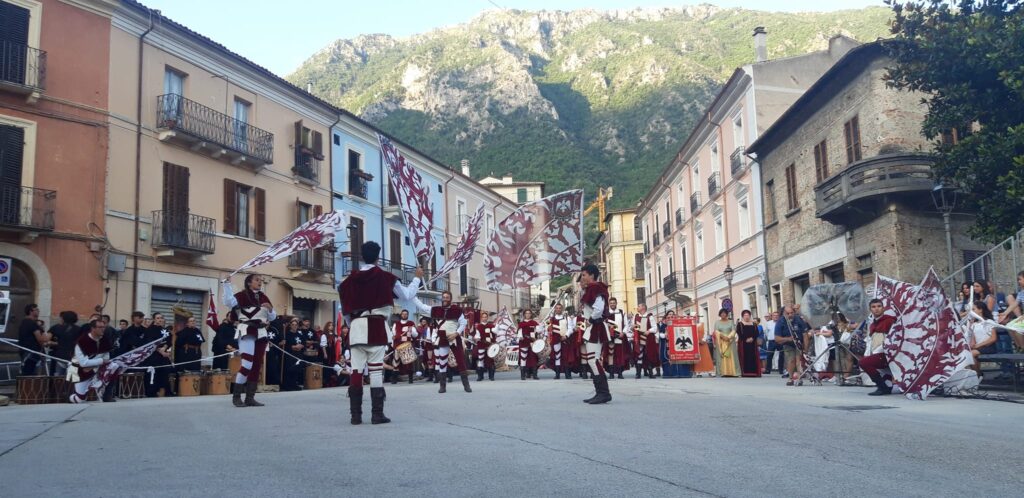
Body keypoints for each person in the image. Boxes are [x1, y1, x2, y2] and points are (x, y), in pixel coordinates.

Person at [339, 241, 428, 425]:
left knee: (356, 370)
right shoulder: (385, 277)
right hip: (377, 326)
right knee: (376, 371)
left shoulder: (348, 281)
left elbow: (345, 310)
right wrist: (417, 277)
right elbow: (407, 295)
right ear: (378, 257)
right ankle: (376, 414)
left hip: (356, 327)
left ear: (362, 256)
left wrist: (353, 324)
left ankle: (355, 415)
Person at [223, 273, 276, 407]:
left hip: (261, 332)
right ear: (249, 282)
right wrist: (227, 284)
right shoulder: (241, 296)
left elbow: (272, 317)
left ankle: (250, 397)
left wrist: (270, 309)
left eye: (261, 280)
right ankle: (236, 397)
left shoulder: (264, 297)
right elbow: (228, 302)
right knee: (247, 364)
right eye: (257, 280)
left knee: (257, 365)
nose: (260, 282)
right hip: (246, 331)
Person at [579, 263, 612, 404]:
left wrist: (590, 321)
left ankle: (603, 393)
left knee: (593, 360)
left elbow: (598, 309)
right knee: (592, 359)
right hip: (593, 327)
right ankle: (601, 392)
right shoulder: (591, 289)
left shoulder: (596, 288)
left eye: (584, 275)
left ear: (591, 275)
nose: (582, 277)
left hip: (596, 328)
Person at [428, 291, 471, 393]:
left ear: (450, 299)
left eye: (447, 297)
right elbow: (424, 307)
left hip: (455, 338)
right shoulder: (437, 310)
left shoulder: (456, 310)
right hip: (442, 338)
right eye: (444, 297)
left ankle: (466, 385)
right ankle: (442, 386)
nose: (445, 299)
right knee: (442, 362)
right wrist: (412, 297)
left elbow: (463, 323)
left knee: (461, 361)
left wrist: (456, 334)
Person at [858, 299, 898, 396]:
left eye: (879, 306)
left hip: (887, 353)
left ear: (883, 308)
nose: (876, 309)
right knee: (866, 361)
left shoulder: (889, 321)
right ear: (870, 309)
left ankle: (882, 387)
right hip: (876, 351)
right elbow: (871, 340)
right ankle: (885, 386)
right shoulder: (872, 324)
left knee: (863, 362)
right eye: (874, 307)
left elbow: (894, 338)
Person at [68, 321, 113, 403]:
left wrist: (99, 363)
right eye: (100, 327)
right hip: (81, 372)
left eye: (104, 327)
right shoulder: (82, 341)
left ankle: (107, 394)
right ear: (93, 328)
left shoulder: (105, 339)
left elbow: (107, 357)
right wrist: (101, 361)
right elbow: (83, 363)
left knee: (114, 366)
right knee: (79, 399)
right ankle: (75, 395)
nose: (103, 329)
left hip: (97, 369)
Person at [774, 305, 808, 386]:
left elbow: (805, 334)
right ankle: (790, 378)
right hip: (788, 344)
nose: (790, 315)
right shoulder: (780, 322)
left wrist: (805, 348)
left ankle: (799, 378)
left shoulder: (799, 319)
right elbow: (777, 338)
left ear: (794, 312)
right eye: (787, 313)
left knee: (799, 360)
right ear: (784, 313)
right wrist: (788, 339)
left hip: (799, 343)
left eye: (791, 313)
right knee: (791, 360)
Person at [141, 313, 172, 398]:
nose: (160, 319)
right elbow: (150, 343)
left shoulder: (165, 330)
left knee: (164, 373)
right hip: (153, 356)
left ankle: (164, 391)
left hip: (163, 356)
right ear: (154, 319)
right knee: (154, 374)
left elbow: (169, 340)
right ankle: (152, 392)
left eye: (161, 318)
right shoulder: (149, 330)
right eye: (158, 318)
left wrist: (165, 348)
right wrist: (161, 351)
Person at [968, 300, 998, 373]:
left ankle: (978, 375)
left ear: (980, 310)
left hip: (988, 347)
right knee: (967, 355)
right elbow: (973, 340)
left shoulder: (989, 322)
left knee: (971, 355)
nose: (972, 311)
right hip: (979, 348)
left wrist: (979, 345)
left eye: (974, 309)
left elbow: (993, 338)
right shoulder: (974, 325)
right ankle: (977, 374)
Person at [604, 297, 629, 379]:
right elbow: (604, 325)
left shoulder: (621, 312)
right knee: (610, 354)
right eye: (611, 303)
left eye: (613, 303)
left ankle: (620, 373)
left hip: (619, 336)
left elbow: (626, 324)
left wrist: (623, 332)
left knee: (619, 354)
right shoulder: (606, 313)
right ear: (609, 304)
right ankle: (611, 373)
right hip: (609, 337)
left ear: (616, 303)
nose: (612, 304)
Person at [49, 311, 80, 377]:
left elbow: (46, 338)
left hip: (60, 356)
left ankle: (57, 387)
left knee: (59, 378)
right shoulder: (79, 329)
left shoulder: (57, 327)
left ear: (63, 318)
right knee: (71, 378)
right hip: (73, 356)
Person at [17, 304, 46, 375]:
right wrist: (44, 344)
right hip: (33, 352)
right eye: (36, 310)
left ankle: (25, 385)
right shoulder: (32, 323)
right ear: (31, 311)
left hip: (26, 351)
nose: (38, 311)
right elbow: (40, 339)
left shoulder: (24, 322)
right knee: (32, 373)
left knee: (27, 372)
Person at [632, 303, 659, 379]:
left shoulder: (650, 317)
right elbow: (634, 327)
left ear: (643, 307)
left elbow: (655, 327)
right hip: (639, 338)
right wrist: (633, 327)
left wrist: (649, 331)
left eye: (639, 306)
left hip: (648, 339)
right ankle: (638, 373)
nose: (637, 307)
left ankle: (650, 373)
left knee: (649, 354)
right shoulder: (636, 316)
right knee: (639, 355)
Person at [392, 310, 418, 384]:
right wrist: (393, 338)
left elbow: (415, 335)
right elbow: (393, 334)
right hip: (398, 345)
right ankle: (394, 379)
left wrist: (411, 330)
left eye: (406, 314)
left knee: (409, 362)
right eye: (403, 314)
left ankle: (410, 379)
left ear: (408, 315)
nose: (404, 315)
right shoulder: (396, 324)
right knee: (396, 362)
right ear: (401, 315)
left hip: (407, 345)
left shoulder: (411, 324)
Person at [547, 304, 571, 379]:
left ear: (562, 309)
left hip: (565, 339)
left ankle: (567, 374)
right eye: (556, 308)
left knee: (565, 356)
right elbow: (547, 329)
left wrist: (566, 336)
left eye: (559, 308)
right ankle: (557, 374)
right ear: (555, 309)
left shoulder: (567, 318)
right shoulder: (551, 319)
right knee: (557, 356)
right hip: (555, 340)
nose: (558, 309)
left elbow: (570, 328)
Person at [281, 317, 305, 391]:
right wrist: (293, 346)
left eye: (296, 325)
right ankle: (288, 386)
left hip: (298, 355)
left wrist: (301, 346)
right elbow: (286, 345)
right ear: (290, 325)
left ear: (297, 326)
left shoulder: (300, 335)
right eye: (293, 324)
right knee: (289, 370)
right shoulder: (287, 334)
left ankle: (294, 385)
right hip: (290, 355)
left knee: (296, 370)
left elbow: (303, 343)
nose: (294, 326)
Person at [713, 309, 738, 377]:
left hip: (730, 342)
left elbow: (733, 330)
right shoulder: (717, 322)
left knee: (731, 356)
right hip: (721, 341)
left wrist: (728, 337)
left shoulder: (731, 322)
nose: (723, 314)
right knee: (722, 357)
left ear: (727, 314)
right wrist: (723, 336)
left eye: (724, 313)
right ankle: (723, 372)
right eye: (722, 313)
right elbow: (716, 332)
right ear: (720, 314)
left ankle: (733, 372)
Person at [516, 309, 540, 380]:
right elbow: (519, 333)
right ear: (524, 314)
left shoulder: (534, 323)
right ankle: (523, 375)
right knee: (523, 359)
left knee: (534, 358)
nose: (528, 314)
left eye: (529, 313)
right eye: (526, 313)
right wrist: (520, 337)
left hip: (533, 343)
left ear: (531, 314)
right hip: (523, 342)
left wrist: (539, 326)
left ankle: (535, 375)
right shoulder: (521, 324)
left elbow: (539, 331)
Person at [736, 310, 761, 377]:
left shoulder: (754, 324)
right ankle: (745, 372)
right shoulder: (740, 324)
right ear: (743, 316)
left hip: (752, 343)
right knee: (745, 356)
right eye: (745, 315)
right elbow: (739, 333)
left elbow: (757, 333)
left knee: (753, 356)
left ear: (750, 316)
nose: (746, 317)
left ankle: (754, 372)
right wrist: (745, 339)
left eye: (748, 315)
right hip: (743, 343)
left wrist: (752, 338)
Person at [474, 311, 498, 381]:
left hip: (490, 346)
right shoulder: (478, 326)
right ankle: (480, 376)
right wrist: (476, 338)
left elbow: (496, 332)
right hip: (481, 345)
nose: (484, 318)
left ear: (487, 318)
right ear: (481, 318)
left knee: (490, 360)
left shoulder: (491, 326)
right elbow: (476, 335)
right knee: (480, 360)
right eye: (483, 317)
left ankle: (491, 376)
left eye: (485, 317)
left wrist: (497, 326)